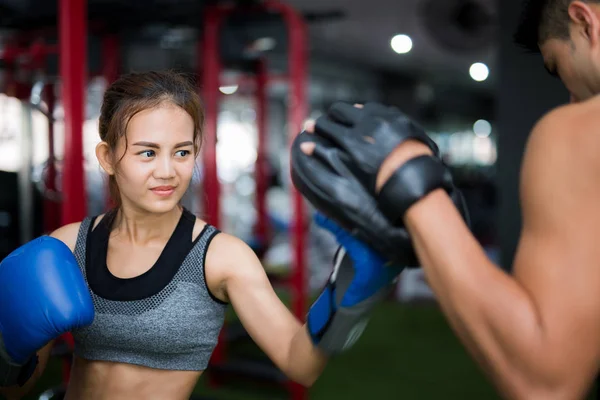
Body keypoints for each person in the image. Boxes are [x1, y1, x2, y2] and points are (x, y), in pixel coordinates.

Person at [0, 70, 403, 400]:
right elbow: (16, 390)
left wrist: (349, 291)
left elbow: (301, 364)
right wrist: (9, 355)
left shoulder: (220, 257)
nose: (167, 171)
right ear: (107, 157)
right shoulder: (68, 246)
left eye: (182, 152)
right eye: (147, 152)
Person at [299, 0, 600, 399]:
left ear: (585, 22)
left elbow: (546, 384)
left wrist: (405, 176)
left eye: (559, 68)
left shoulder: (578, 127)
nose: (572, 99)